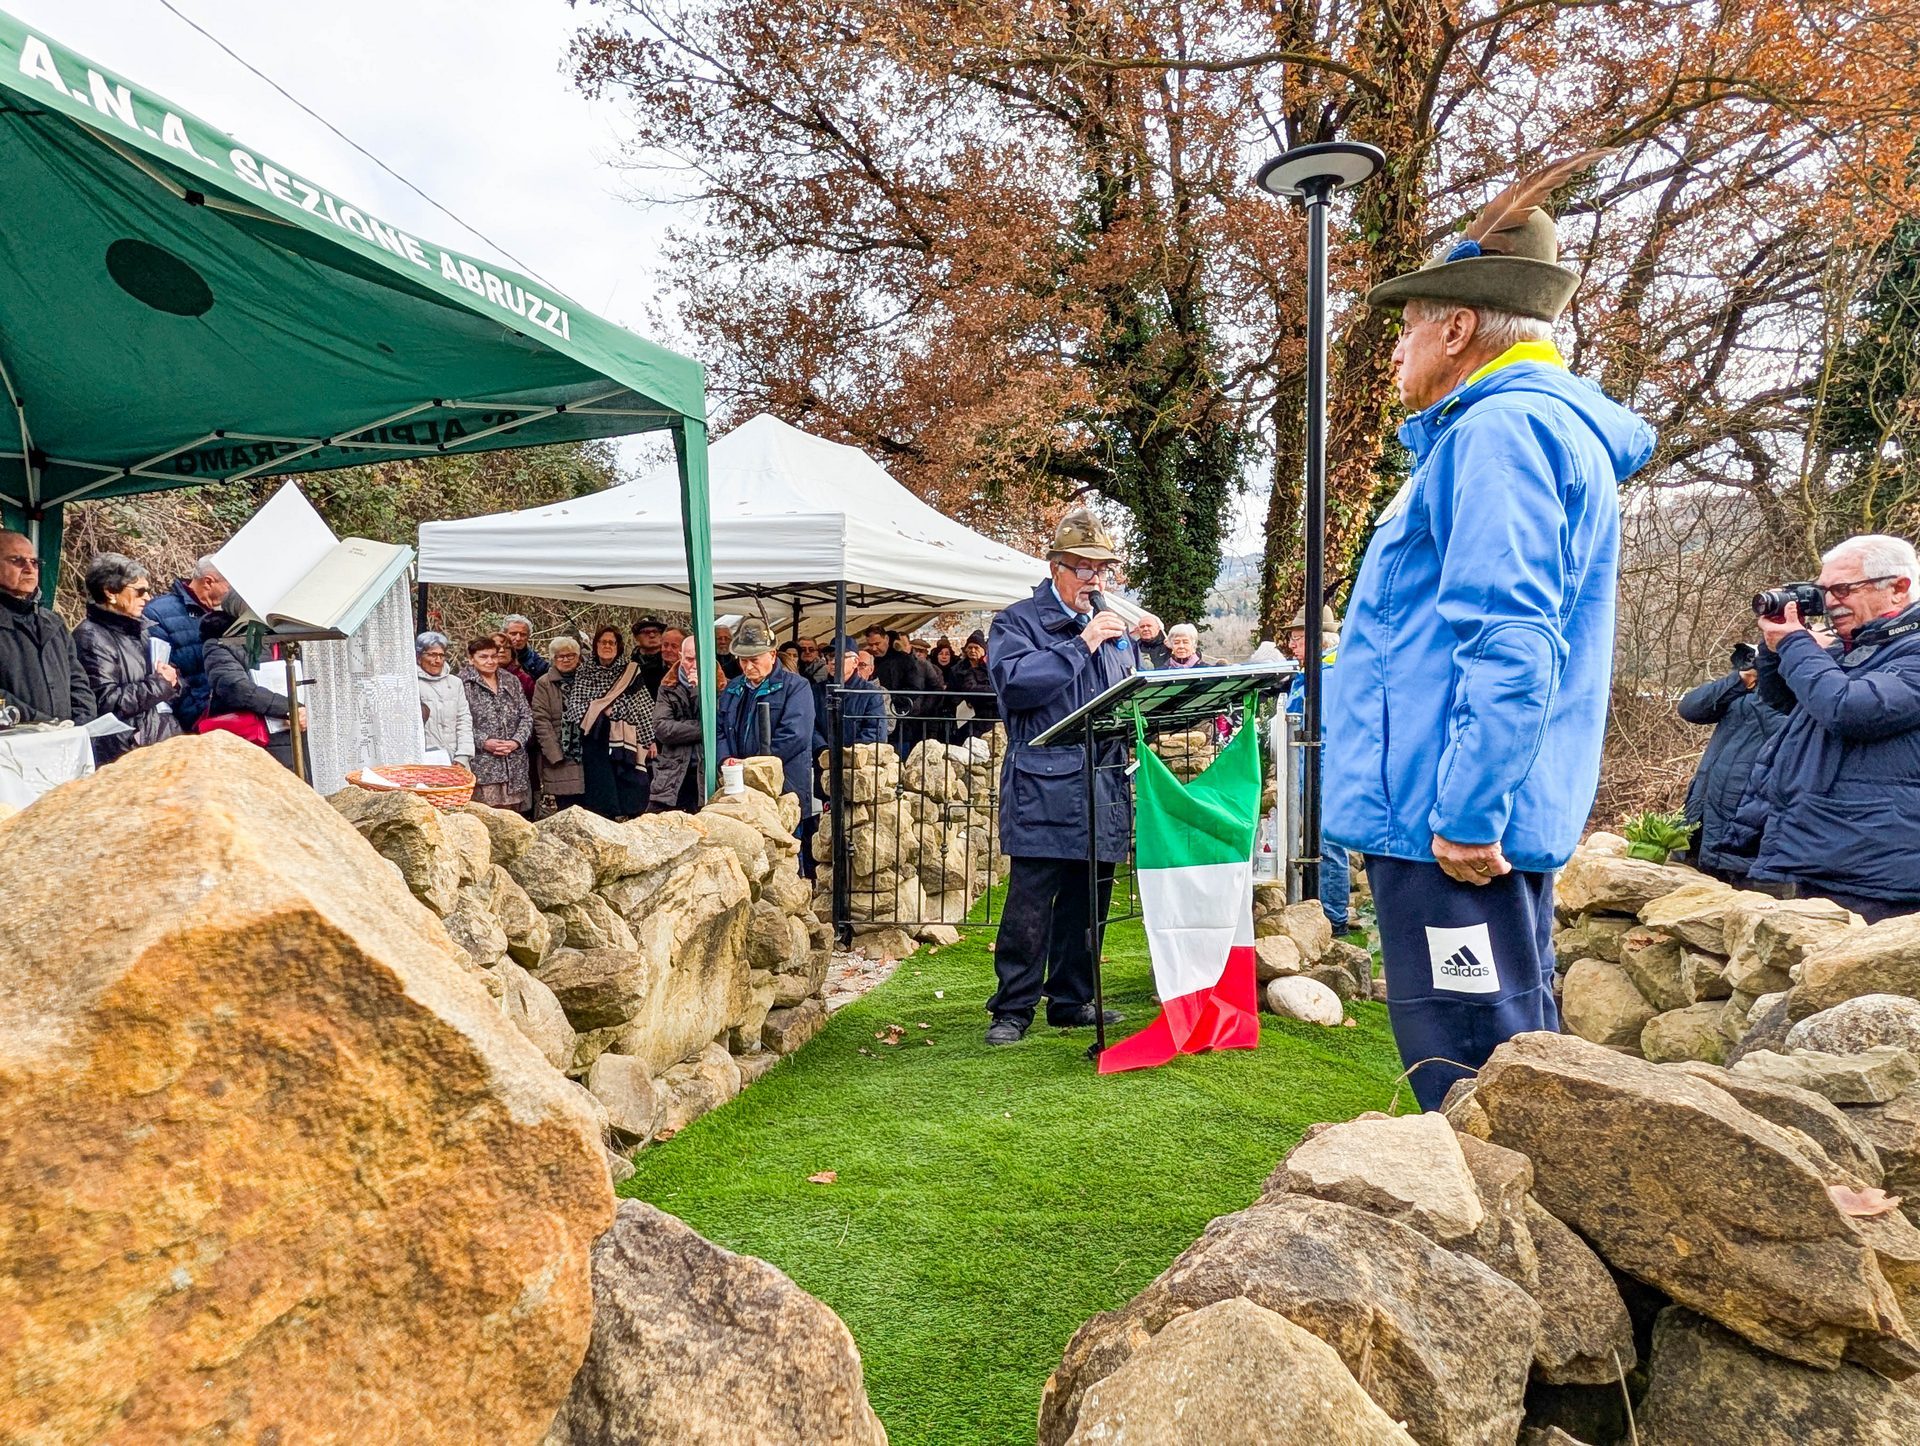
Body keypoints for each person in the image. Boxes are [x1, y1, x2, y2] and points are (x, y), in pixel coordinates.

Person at [1323, 157, 1655, 1111]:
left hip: (1453, 825)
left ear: (1460, 328)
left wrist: (1468, 810)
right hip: (1457, 810)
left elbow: (1510, 637)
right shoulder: (1519, 428)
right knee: (1507, 1051)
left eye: (1409, 330)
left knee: (1474, 1076)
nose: (1396, 353)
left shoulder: (1500, 432)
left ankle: (1497, 1252)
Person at [985, 504, 1164, 1045]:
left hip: (1104, 782)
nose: (1094, 577)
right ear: (1055, 566)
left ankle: (1071, 1000)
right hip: (1043, 785)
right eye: (1083, 566)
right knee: (1031, 903)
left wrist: (1147, 652)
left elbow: (1124, 698)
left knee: (1090, 903)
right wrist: (1081, 644)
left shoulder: (1113, 627)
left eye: (1102, 568)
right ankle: (1012, 1011)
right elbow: (1017, 687)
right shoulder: (1015, 622)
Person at [1733, 535, 1920, 921]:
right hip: (1824, 854)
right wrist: (1776, 645)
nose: (1830, 602)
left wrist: (1797, 645)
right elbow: (1786, 701)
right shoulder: (1861, 648)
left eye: (1842, 589)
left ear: (1898, 589)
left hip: (1876, 872)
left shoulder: (1910, 650)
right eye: (1823, 591)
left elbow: (1849, 708)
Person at [1677, 642, 1784, 885]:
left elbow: (1783, 732)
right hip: (1701, 815)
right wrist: (1741, 680)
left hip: (1743, 825)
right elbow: (1690, 708)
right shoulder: (1746, 688)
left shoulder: (1797, 693)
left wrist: (1771, 684)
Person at [73, 553, 180, 763]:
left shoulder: (139, 629)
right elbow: (105, 701)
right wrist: (161, 684)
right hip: (123, 752)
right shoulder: (90, 637)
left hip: (157, 739)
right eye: (140, 591)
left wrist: (173, 680)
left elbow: (156, 681)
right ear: (110, 592)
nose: (148, 598)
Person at [1286, 605, 1352, 935]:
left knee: (1327, 841)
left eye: (1297, 639)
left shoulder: (1327, 674)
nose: (1292, 647)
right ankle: (1326, 910)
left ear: (1318, 640)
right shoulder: (1317, 671)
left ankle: (1333, 917)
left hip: (1323, 766)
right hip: (1314, 766)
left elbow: (1318, 729)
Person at [717, 619, 816, 834]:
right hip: (738, 784)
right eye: (742, 660)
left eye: (754, 660)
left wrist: (751, 765)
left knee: (784, 851)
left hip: (783, 786)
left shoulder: (797, 687)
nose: (747, 666)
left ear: (772, 655)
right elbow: (719, 728)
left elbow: (795, 735)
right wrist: (725, 760)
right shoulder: (734, 687)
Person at [0, 529, 95, 726]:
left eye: (34, 562)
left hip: (64, 741)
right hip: (12, 745)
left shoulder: (53, 622)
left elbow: (78, 681)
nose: (29, 568)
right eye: (17, 560)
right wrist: (41, 723)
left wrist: (81, 723)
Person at [569, 624, 657, 819]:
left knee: (629, 784)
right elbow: (575, 707)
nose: (607, 646)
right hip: (595, 737)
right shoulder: (584, 671)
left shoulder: (631, 671)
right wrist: (599, 710)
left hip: (627, 738)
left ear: (618, 646)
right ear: (595, 645)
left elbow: (643, 708)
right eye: (603, 642)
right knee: (600, 788)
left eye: (612, 642)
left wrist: (649, 739)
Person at [201, 620, 304, 769]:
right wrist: (292, 709)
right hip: (253, 741)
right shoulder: (219, 642)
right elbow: (234, 686)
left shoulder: (289, 640)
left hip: (295, 737)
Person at [141, 556, 229, 730]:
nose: (233, 591)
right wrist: (194, 711)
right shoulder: (157, 613)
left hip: (231, 714)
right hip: (192, 721)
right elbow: (160, 669)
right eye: (230, 585)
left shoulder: (229, 614)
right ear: (209, 582)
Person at [462, 636, 534, 812]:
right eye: (483, 657)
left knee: (514, 822)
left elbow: (527, 716)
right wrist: (484, 741)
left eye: (493, 656)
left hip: (514, 766)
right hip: (483, 766)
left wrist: (516, 741)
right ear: (471, 659)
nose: (490, 661)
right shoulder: (463, 683)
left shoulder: (511, 680)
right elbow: (458, 721)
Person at [531, 636, 587, 811]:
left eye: (570, 655)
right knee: (566, 809)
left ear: (578, 657)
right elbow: (541, 720)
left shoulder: (589, 680)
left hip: (587, 754)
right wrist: (553, 753)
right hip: (560, 755)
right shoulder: (544, 683)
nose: (566, 659)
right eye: (560, 656)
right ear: (553, 659)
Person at [652, 634, 705, 813]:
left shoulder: (722, 686)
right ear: (680, 656)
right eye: (689, 659)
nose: (695, 665)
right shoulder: (667, 687)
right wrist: (702, 728)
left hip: (706, 772)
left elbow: (720, 723)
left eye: (700, 659)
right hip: (671, 772)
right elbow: (662, 729)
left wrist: (698, 691)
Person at [415, 630, 474, 769]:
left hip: (456, 760)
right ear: (419, 657)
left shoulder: (455, 683)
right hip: (425, 760)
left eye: (441, 655)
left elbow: (463, 719)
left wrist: (463, 756)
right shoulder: (411, 683)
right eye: (432, 655)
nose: (438, 660)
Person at [815, 641, 888, 749]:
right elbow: (809, 726)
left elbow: (875, 731)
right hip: (820, 760)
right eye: (830, 657)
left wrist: (850, 754)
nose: (833, 662)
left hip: (858, 761)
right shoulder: (816, 690)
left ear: (855, 662)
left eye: (840, 657)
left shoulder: (871, 693)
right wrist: (822, 749)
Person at [945, 629, 997, 740]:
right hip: (966, 716)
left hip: (992, 715)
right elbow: (951, 693)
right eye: (970, 647)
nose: (973, 651)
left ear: (984, 650)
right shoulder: (957, 669)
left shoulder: (993, 667)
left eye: (976, 648)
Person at [501, 615, 549, 698]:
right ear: (504, 634)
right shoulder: (493, 657)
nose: (518, 638)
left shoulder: (538, 664)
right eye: (513, 633)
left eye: (523, 634)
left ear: (528, 637)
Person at [631, 617, 670, 694]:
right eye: (646, 632)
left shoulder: (671, 662)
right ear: (636, 638)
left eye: (656, 631)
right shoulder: (629, 665)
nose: (652, 635)